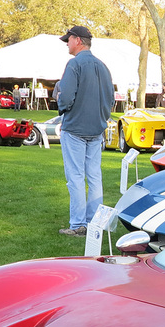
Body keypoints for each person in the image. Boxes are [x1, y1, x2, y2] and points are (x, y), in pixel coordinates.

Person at [56, 25, 114, 237]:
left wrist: (62, 107)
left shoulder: (74, 64)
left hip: (76, 128)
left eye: (68, 40)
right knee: (94, 176)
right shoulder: (103, 66)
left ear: (77, 40)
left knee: (76, 177)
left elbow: (66, 96)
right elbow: (110, 99)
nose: (67, 44)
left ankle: (78, 224)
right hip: (96, 128)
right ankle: (94, 222)